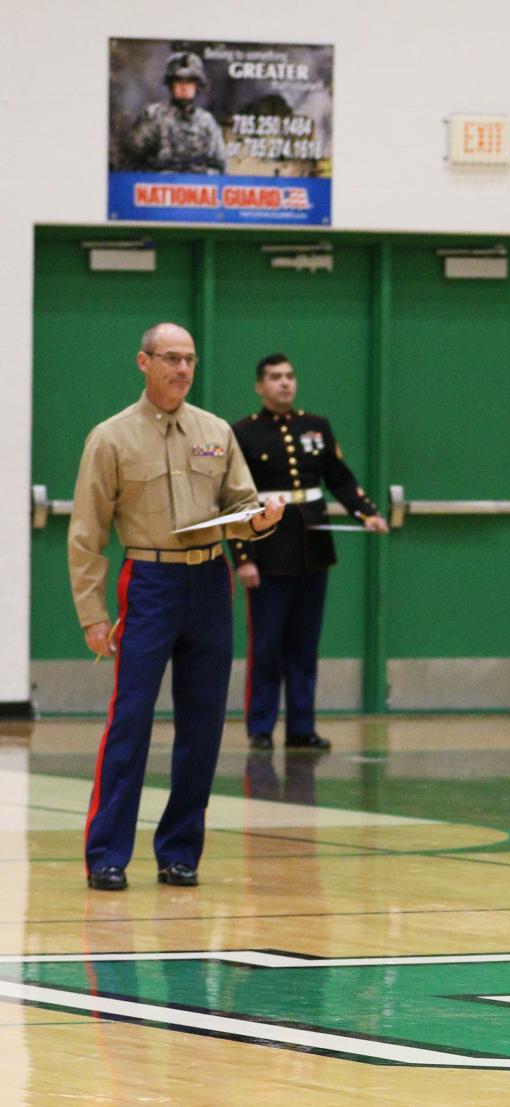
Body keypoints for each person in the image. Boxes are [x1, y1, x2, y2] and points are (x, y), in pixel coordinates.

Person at [68, 323, 285, 891]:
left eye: (189, 359)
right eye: (170, 358)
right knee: (131, 718)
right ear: (144, 362)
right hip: (149, 582)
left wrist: (259, 520)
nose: (182, 369)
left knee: (204, 722)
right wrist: (92, 614)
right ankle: (108, 854)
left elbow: (240, 504)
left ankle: (180, 851)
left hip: (210, 582)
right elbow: (86, 533)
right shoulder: (111, 437)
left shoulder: (215, 431)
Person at [230, 353, 388, 752]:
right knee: (266, 645)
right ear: (259, 386)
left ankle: (302, 727)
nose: (285, 383)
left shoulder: (316, 427)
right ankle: (261, 727)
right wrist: (243, 557)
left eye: (289, 376)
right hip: (268, 553)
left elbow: (340, 479)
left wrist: (366, 513)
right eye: (275, 377)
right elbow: (235, 501)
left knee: (304, 645)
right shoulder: (243, 434)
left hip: (312, 549)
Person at [122, 51, 226, 175]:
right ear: (171, 85)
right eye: (179, 81)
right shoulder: (154, 116)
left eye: (189, 82)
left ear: (197, 86)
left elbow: (220, 166)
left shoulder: (207, 122)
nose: (184, 87)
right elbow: (130, 160)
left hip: (197, 188)